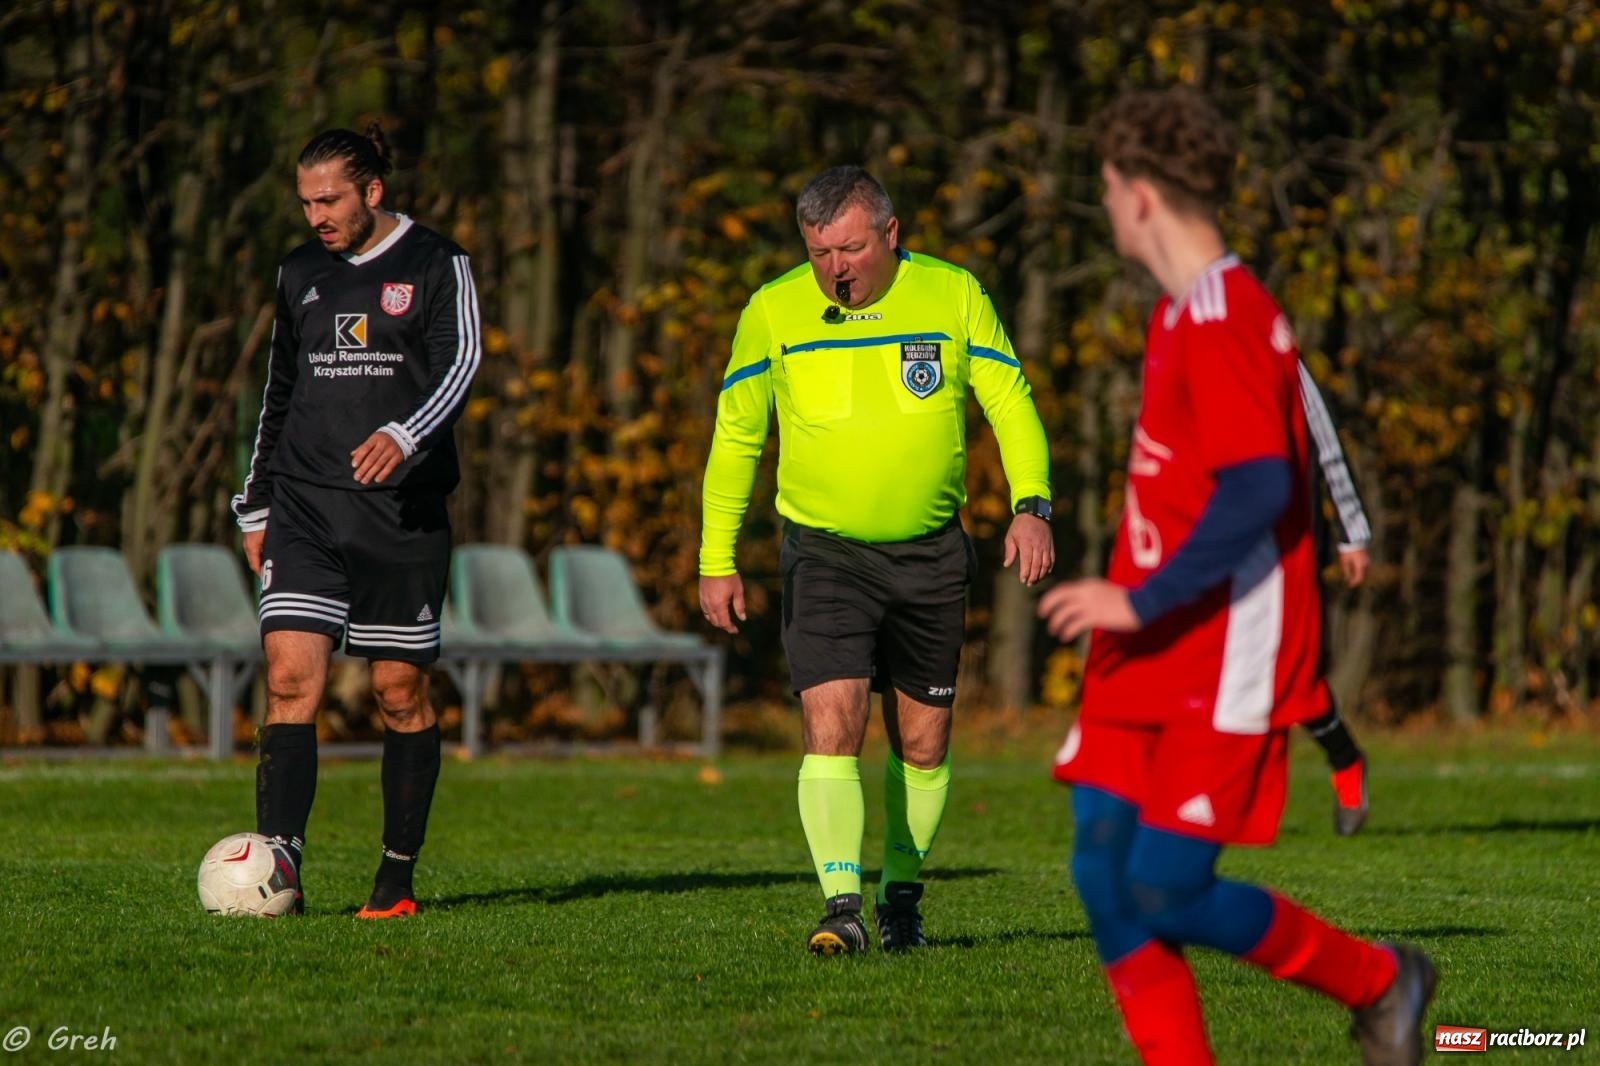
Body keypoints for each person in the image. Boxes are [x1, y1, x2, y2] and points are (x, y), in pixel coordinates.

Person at [1038, 88, 1434, 1064]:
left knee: (1164, 888)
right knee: (1103, 877)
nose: (1105, 204)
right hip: (1147, 641)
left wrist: (1138, 596)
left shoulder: (1225, 316)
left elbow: (1261, 486)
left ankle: (1381, 981)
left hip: (1220, 648)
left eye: (1106, 187)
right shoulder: (1180, 313)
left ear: (1138, 196)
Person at [699, 165, 1053, 955]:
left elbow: (1011, 403)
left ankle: (899, 898)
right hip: (825, 551)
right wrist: (715, 556)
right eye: (820, 253)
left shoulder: (954, 295)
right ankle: (841, 908)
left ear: (892, 234)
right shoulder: (773, 309)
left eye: (851, 250)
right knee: (831, 723)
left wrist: (1032, 506)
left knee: (922, 745)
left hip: (930, 554)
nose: (836, 269)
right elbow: (736, 438)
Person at [231, 124, 482, 919]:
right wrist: (256, 502)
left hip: (400, 515)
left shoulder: (437, 263)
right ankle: (281, 869)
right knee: (288, 679)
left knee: (398, 692)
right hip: (304, 505)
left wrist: (405, 435)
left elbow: (462, 364)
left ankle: (395, 878)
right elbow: (279, 391)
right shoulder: (300, 272)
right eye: (306, 203)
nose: (317, 217)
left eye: (330, 200)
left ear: (372, 191)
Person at [1299, 365, 1375, 835]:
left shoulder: (1276, 352)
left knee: (1292, 677)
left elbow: (1326, 444)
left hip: (1290, 545)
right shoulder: (1185, 346)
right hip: (1218, 541)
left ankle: (1346, 760)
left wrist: (1353, 533)